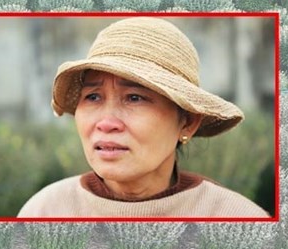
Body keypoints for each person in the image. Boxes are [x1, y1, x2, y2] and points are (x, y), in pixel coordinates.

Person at [17, 17, 270, 218]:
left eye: (134, 98)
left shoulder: (238, 221)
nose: (106, 123)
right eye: (93, 97)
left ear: (188, 122)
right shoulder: (45, 212)